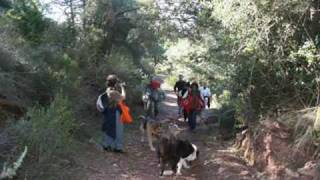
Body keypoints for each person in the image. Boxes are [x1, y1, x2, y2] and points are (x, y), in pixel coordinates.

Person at [96, 74, 127, 153]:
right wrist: (123, 88)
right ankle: (118, 147)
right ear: (115, 83)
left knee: (108, 128)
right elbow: (123, 97)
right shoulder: (113, 92)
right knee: (118, 129)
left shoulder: (108, 90)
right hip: (115, 112)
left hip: (108, 112)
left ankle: (106, 145)